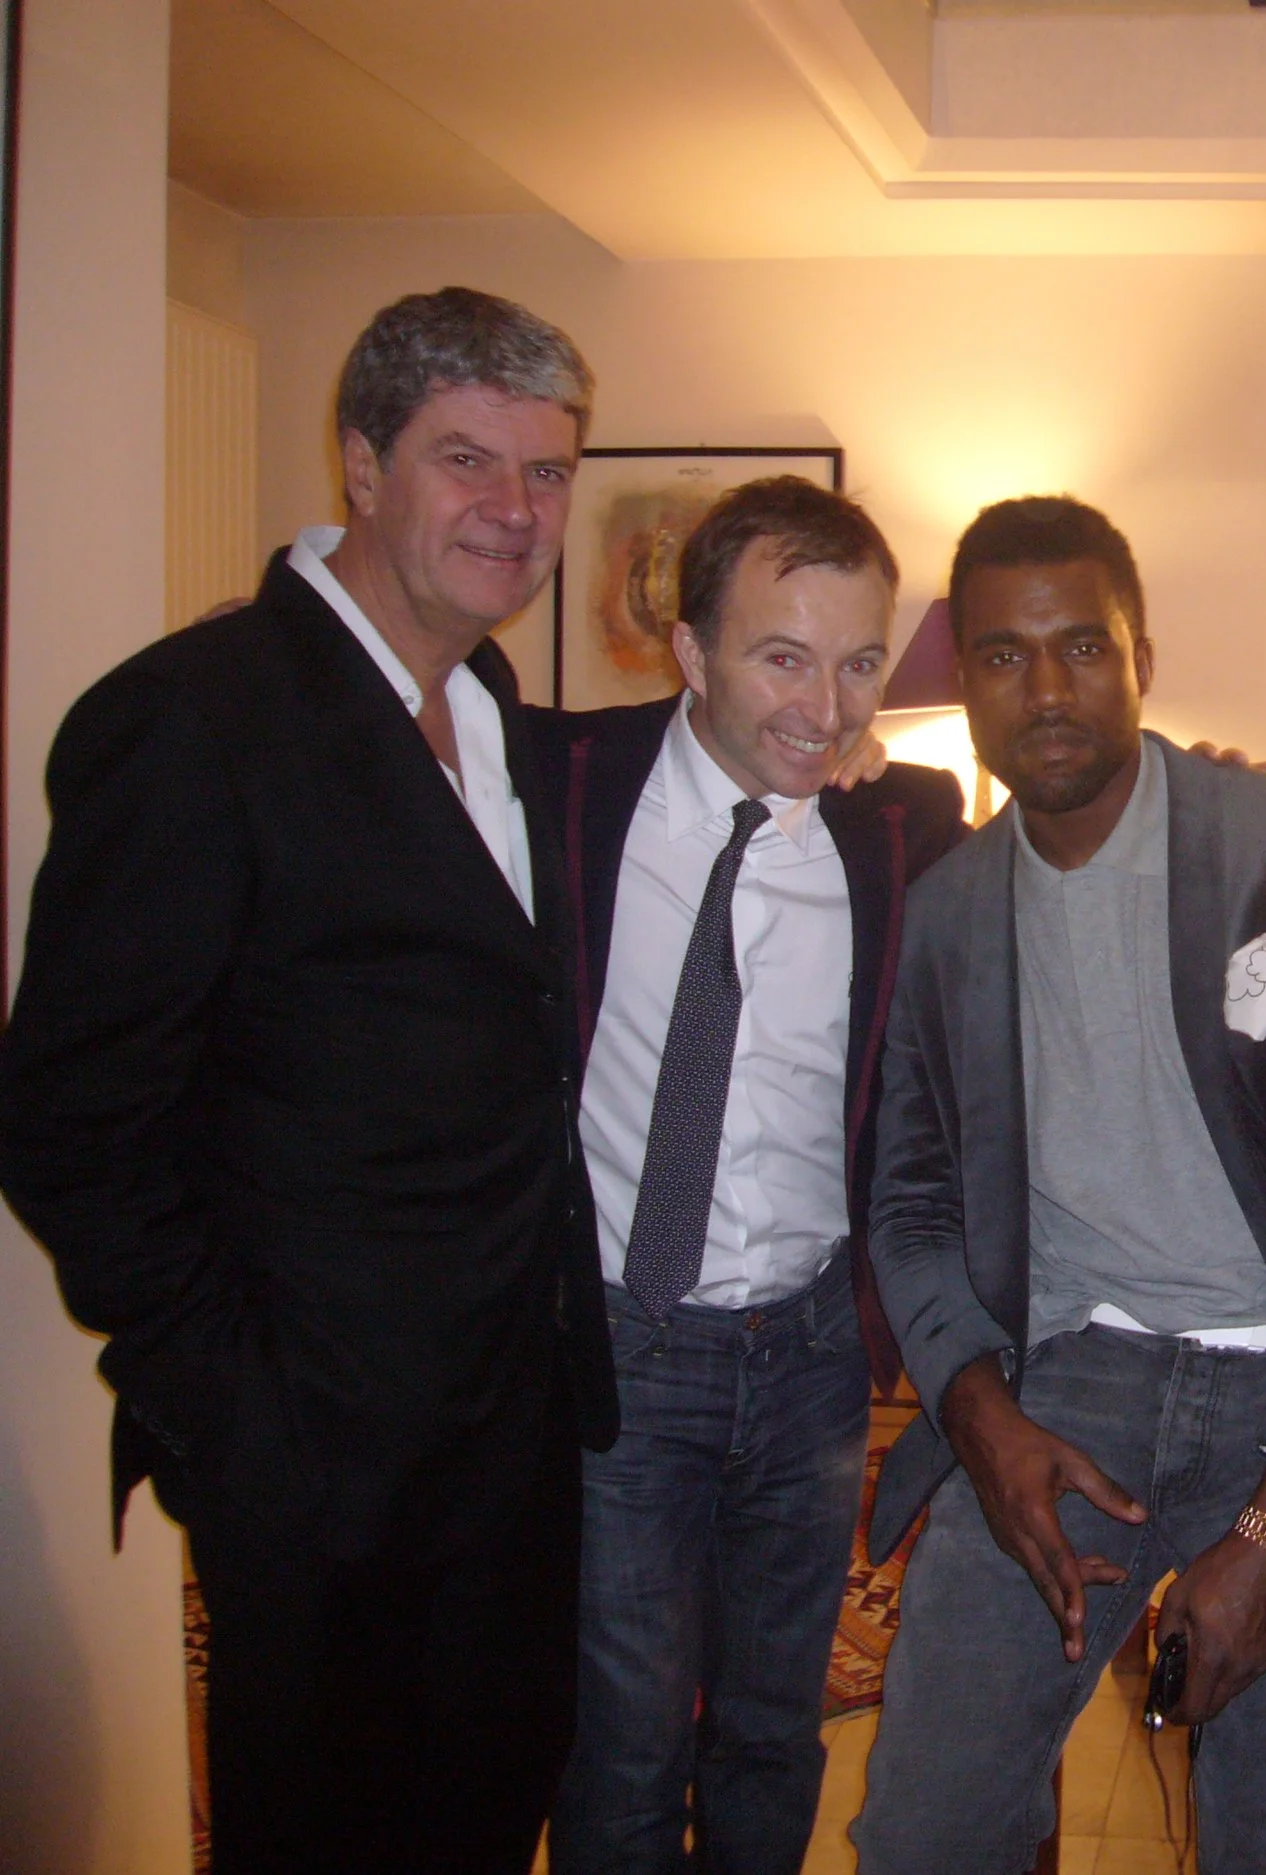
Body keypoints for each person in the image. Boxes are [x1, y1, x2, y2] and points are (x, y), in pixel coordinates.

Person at [0, 287, 617, 1872]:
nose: (515, 510)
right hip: (319, 1457)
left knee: (489, 1807)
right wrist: (238, 1417)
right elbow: (70, 1123)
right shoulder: (191, 720)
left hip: (507, 1438)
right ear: (359, 460)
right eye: (466, 460)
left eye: (547, 472)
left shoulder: (488, 704)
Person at [847, 496, 1266, 1875]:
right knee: (925, 1830)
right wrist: (981, 1417)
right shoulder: (943, 913)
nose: (1046, 690)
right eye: (1003, 656)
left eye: (1082, 647)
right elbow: (912, 1204)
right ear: (966, 681)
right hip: (1069, 1380)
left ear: (1142, 659)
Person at [536, 476, 963, 1873]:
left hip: (809, 1353)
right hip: (621, 1341)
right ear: (690, 650)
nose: (824, 708)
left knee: (774, 1733)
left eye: (858, 665)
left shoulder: (899, 828)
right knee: (622, 1742)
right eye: (783, 657)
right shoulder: (564, 785)